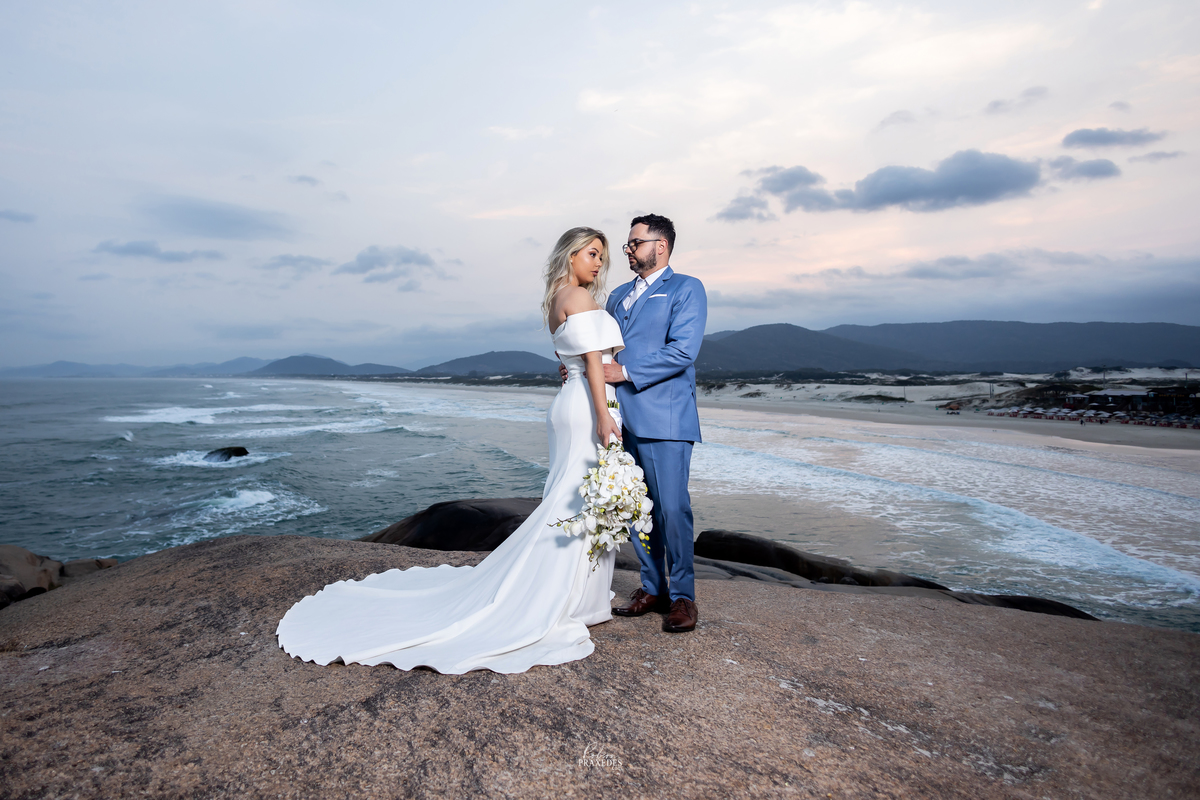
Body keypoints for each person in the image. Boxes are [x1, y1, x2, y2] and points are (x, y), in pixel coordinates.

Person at [276, 227, 625, 674]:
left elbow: (575, 361)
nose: (598, 263)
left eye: (602, 257)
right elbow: (595, 362)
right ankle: (568, 597)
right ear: (570, 254)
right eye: (592, 254)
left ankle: (573, 593)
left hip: (568, 405)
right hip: (588, 406)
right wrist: (604, 414)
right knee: (580, 501)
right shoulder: (578, 297)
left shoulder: (557, 298)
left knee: (570, 499)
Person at [603, 214, 707, 633]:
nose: (627, 249)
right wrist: (586, 369)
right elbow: (602, 350)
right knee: (633, 505)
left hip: (665, 419)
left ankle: (683, 597)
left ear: (660, 246)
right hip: (618, 419)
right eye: (628, 244)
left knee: (672, 508)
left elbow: (683, 351)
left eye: (634, 242)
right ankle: (652, 587)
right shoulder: (616, 296)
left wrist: (622, 372)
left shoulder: (686, 289)